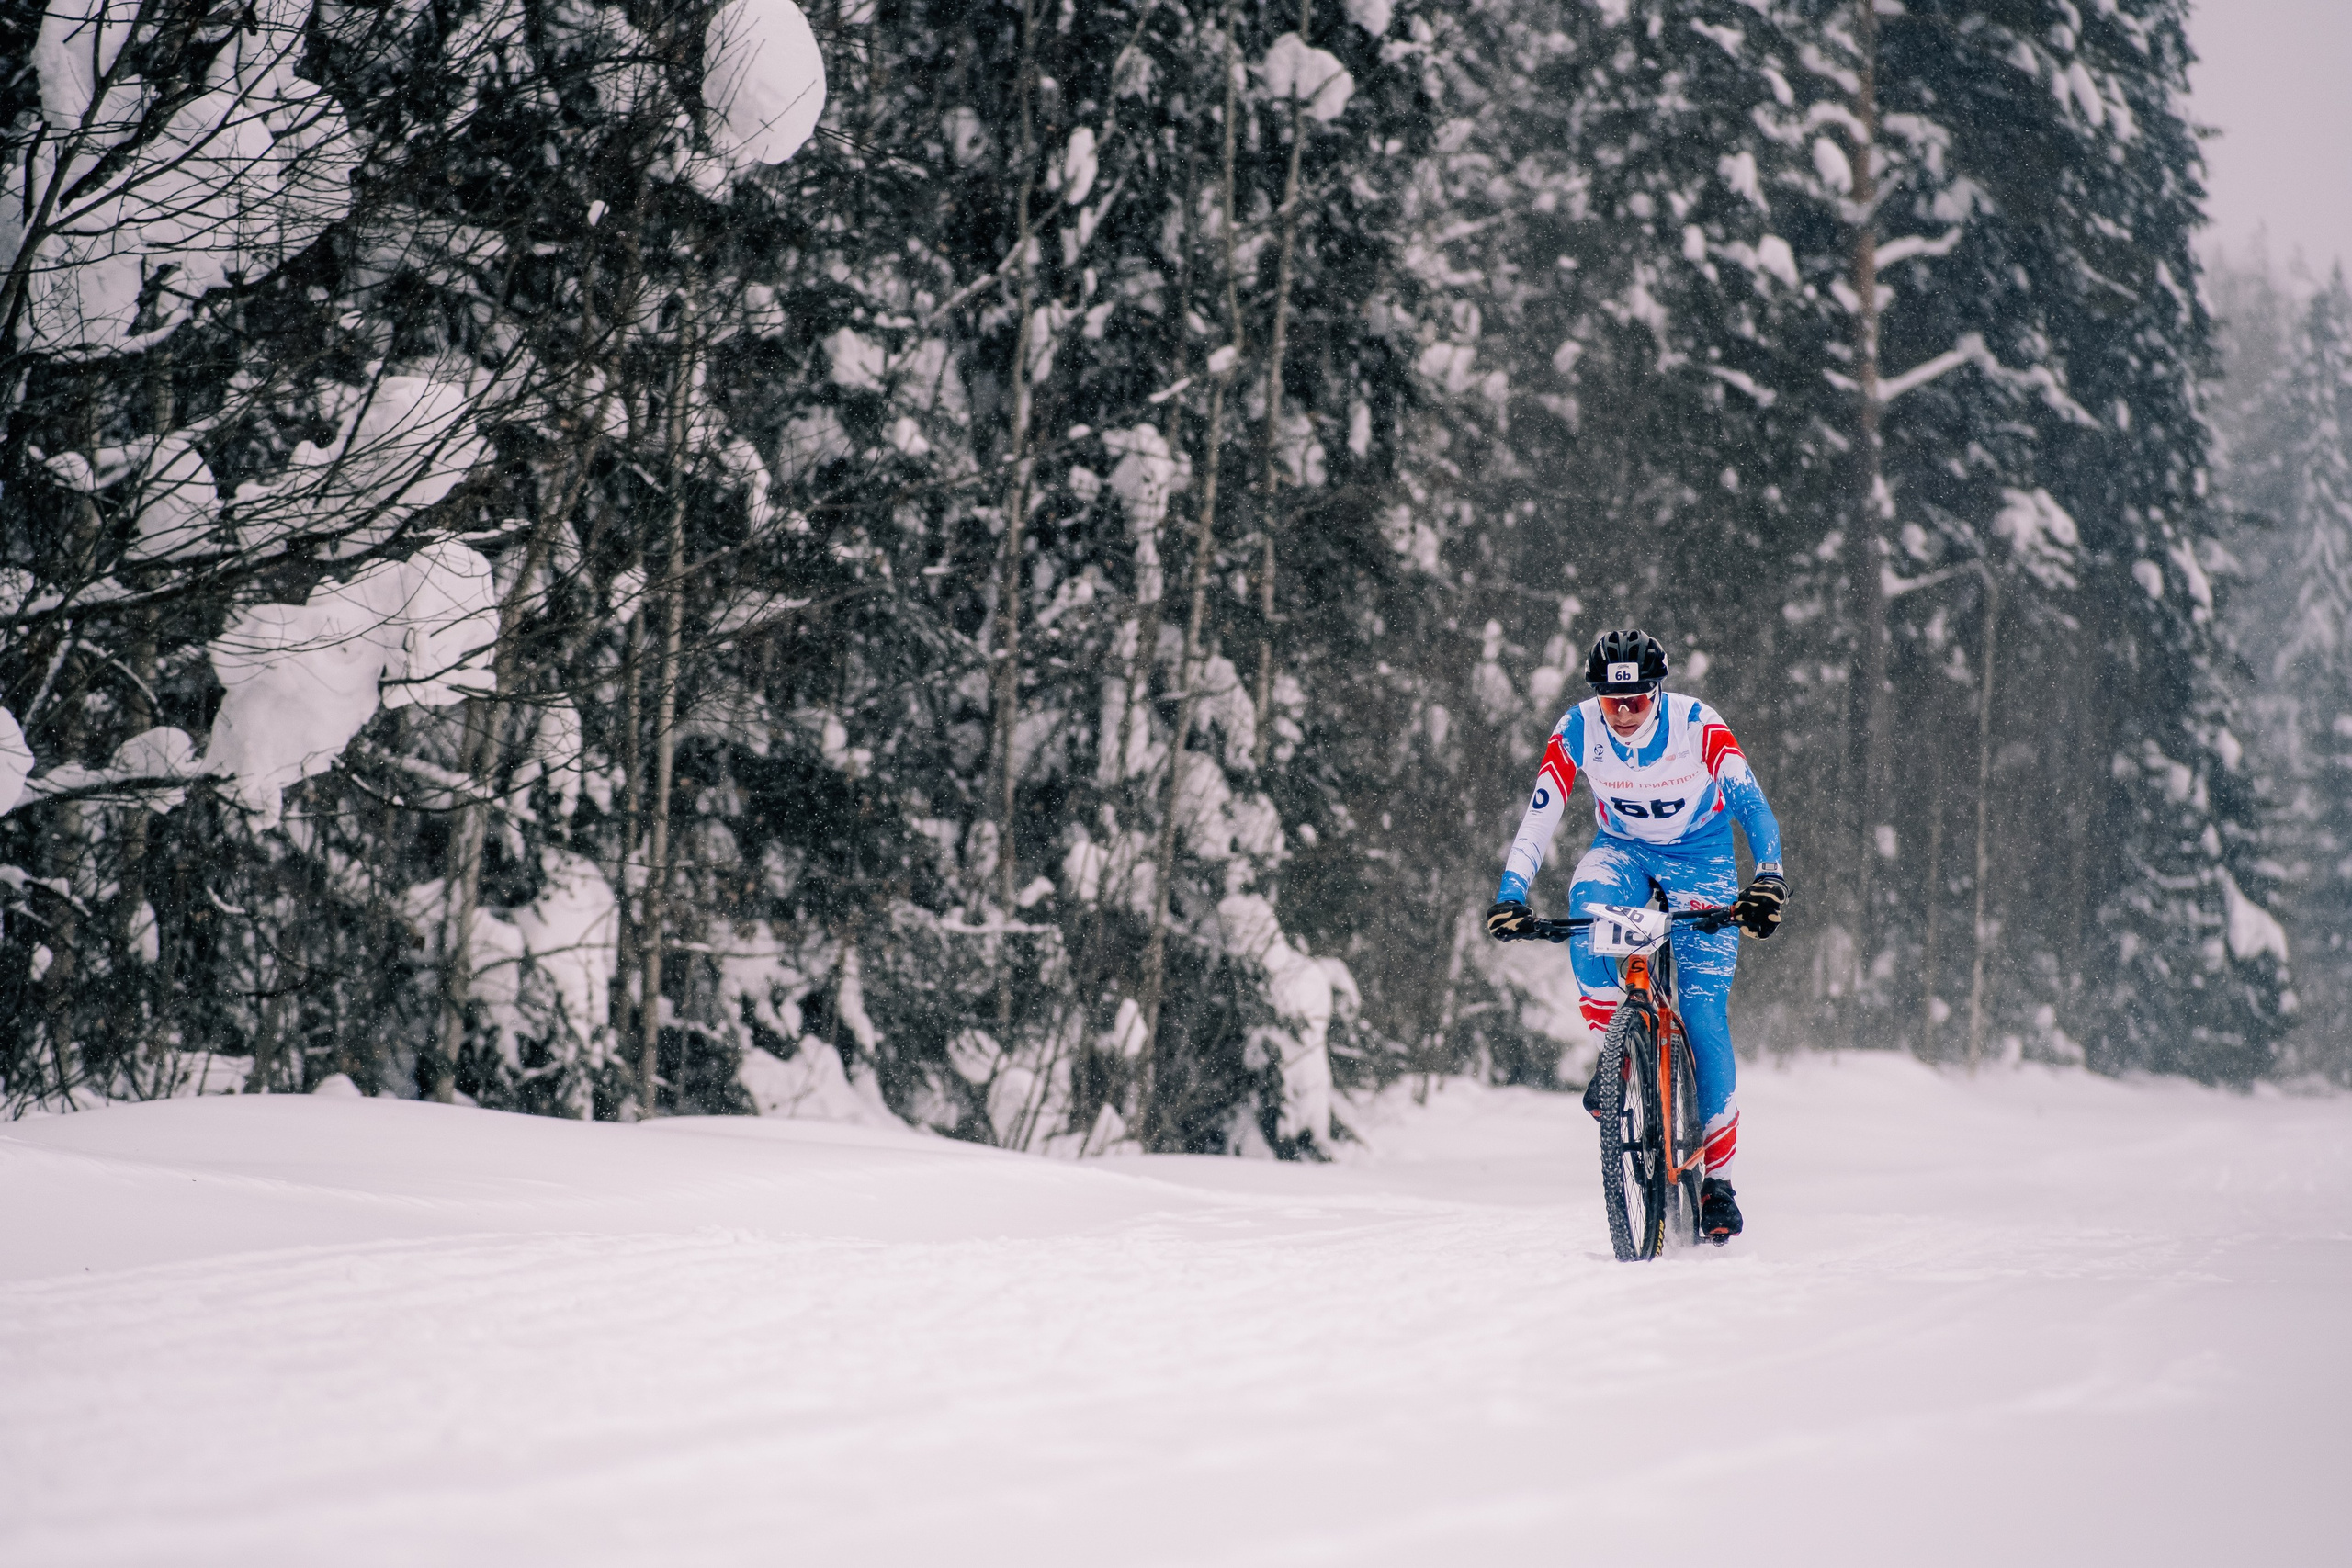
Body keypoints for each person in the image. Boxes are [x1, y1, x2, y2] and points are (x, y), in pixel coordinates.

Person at [1484, 629, 1786, 1243]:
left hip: (1702, 860)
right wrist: (1512, 890)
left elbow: (1752, 804)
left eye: (1636, 701)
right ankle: (1618, 1055)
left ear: (1657, 693)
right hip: (1622, 852)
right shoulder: (1577, 728)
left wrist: (1768, 879)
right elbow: (1541, 810)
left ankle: (1718, 1182)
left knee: (1703, 1013)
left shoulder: (1699, 725)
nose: (1622, 713)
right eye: (1610, 700)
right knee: (1585, 912)